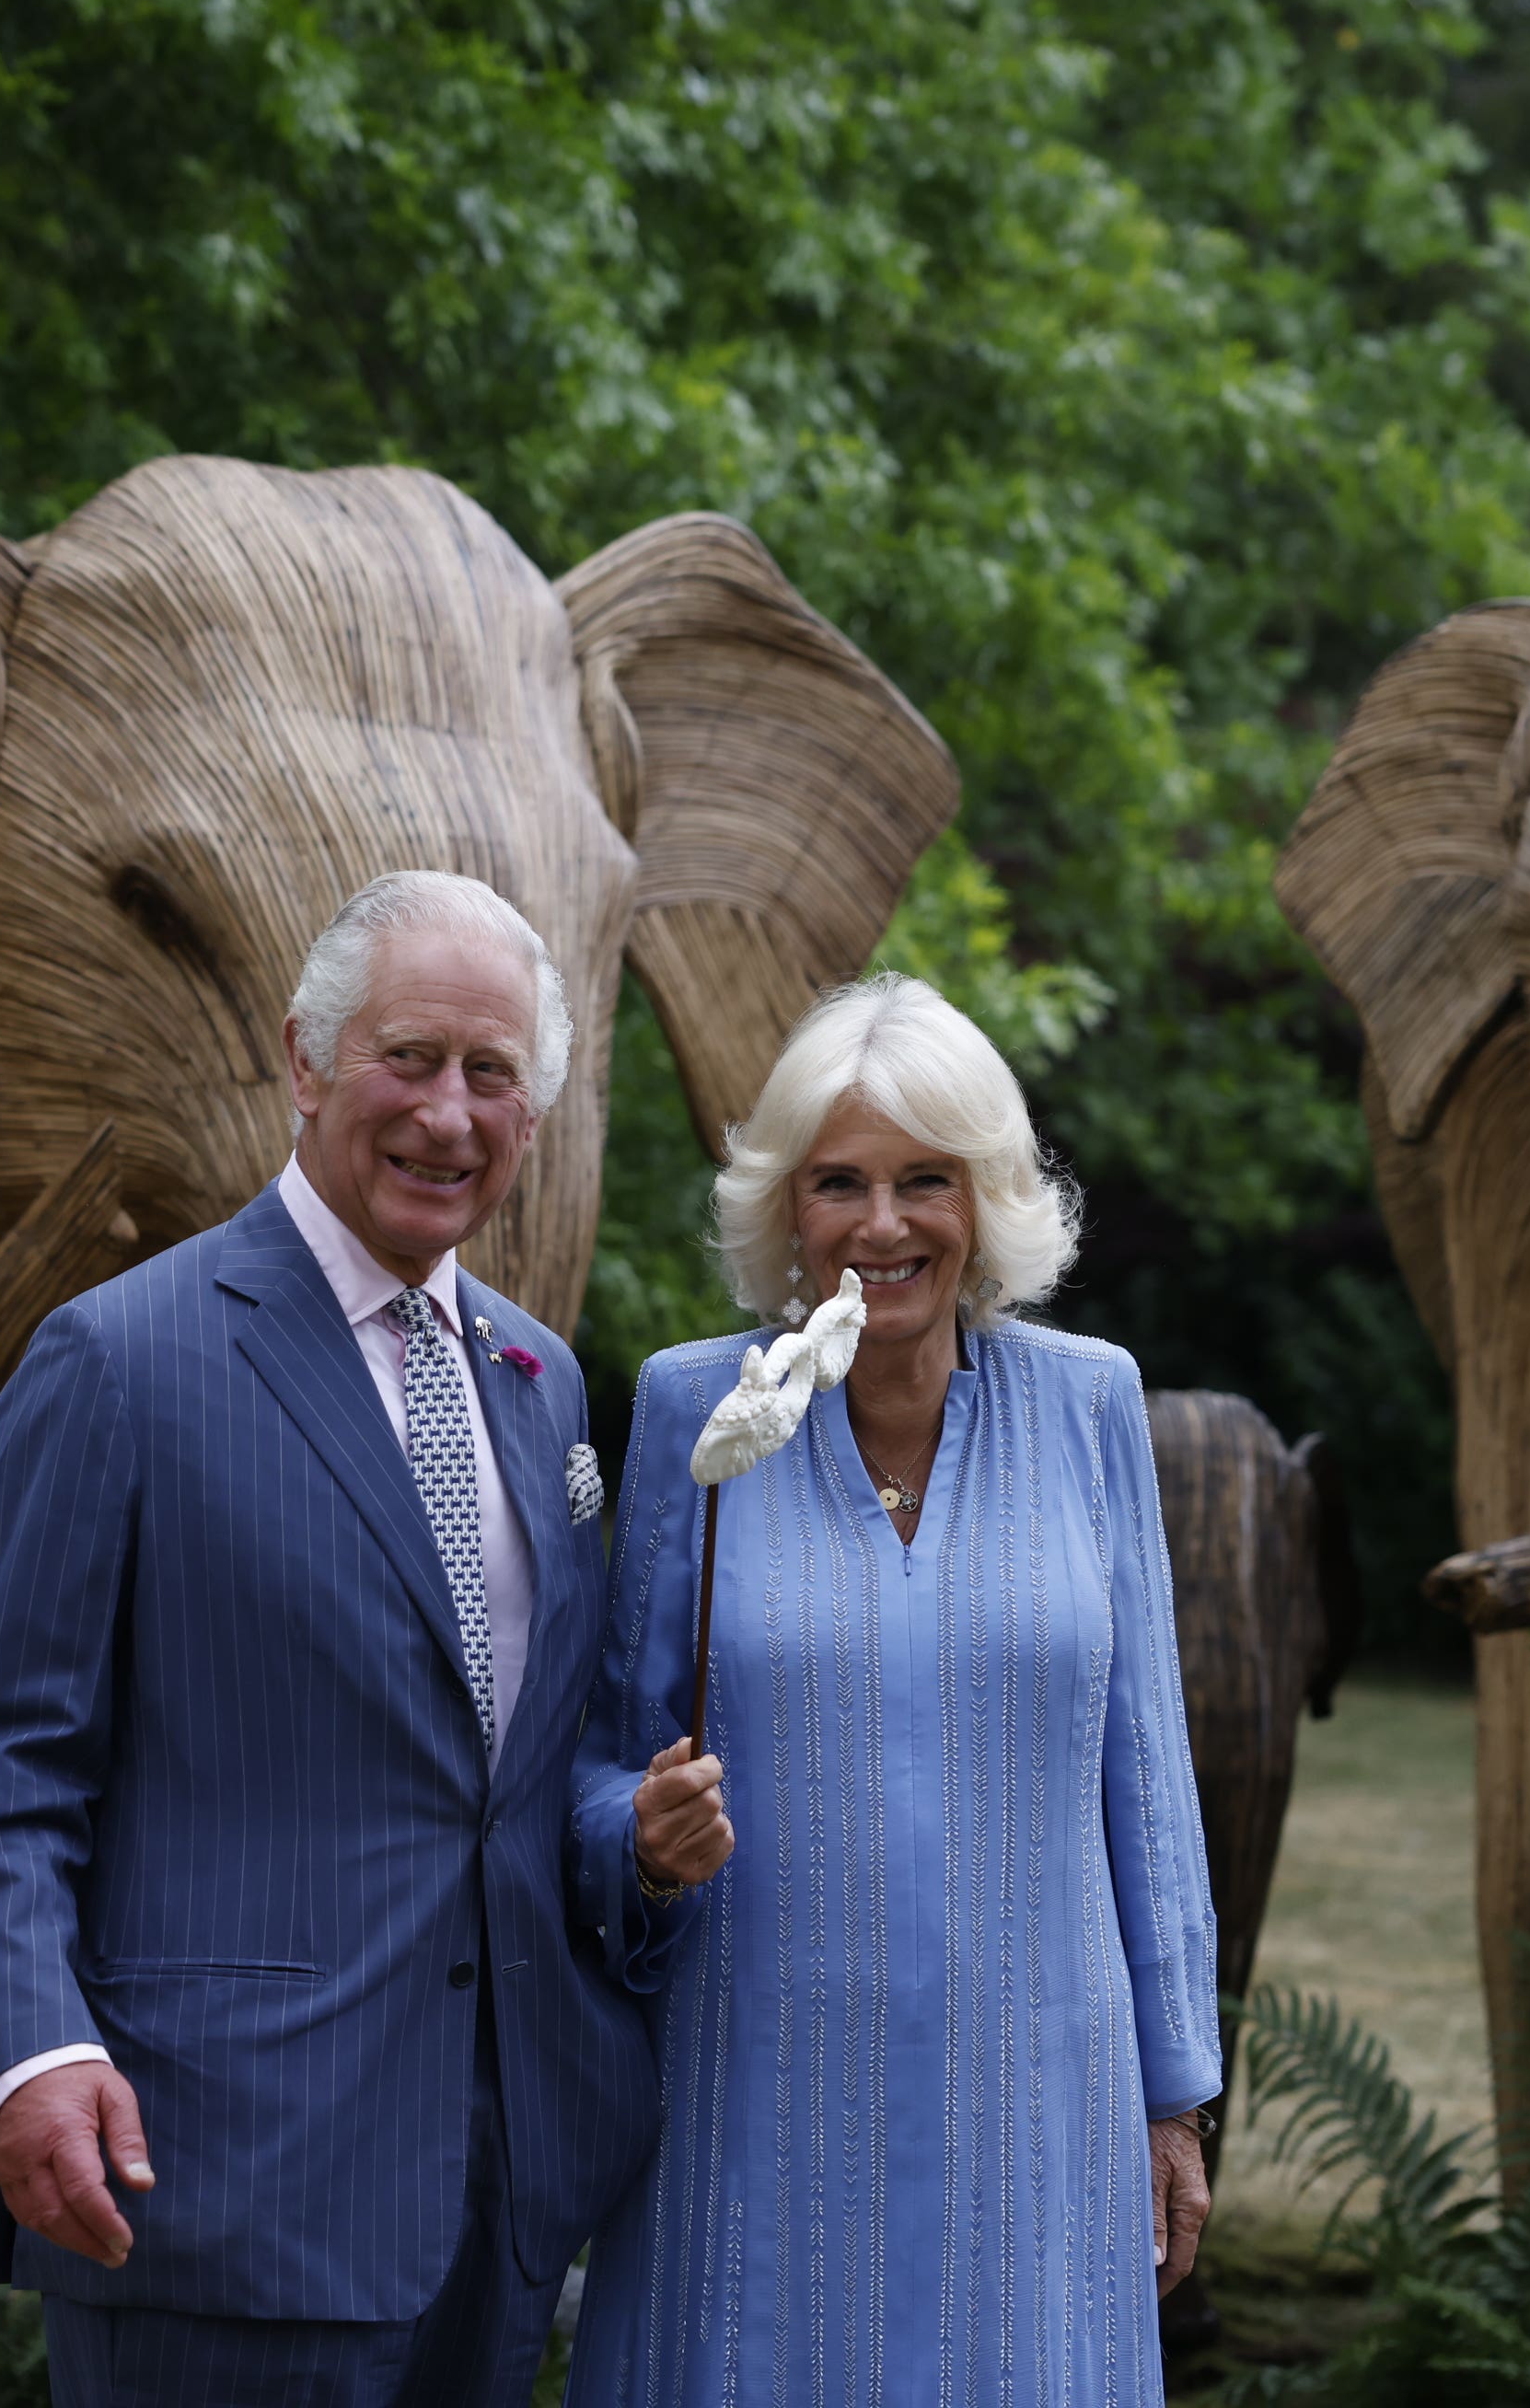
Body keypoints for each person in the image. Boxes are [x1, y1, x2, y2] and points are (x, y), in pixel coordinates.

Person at [0, 870, 730, 2408]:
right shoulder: (119, 1362)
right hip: (218, 2187)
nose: (448, 1112)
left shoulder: (543, 1380)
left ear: (532, 1120)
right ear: (305, 1061)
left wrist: (636, 1850)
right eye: (408, 1057)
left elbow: (515, 1777)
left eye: (493, 1075)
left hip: (500, 2195)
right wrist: (28, 2054)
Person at [565, 972, 1221, 2408]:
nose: (883, 1225)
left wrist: (1174, 2096)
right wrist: (640, 1835)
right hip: (752, 2093)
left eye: (927, 1179)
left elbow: (1148, 1771)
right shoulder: (696, 1408)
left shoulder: (1092, 1403)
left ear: (986, 1199)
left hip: (1036, 2100)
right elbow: (608, 1760)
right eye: (840, 1182)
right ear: (785, 1211)